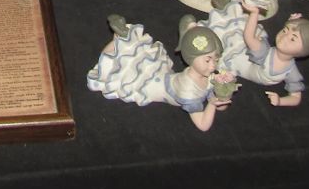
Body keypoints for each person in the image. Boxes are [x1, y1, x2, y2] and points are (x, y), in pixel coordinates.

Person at [87, 14, 235, 131]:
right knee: (123, 71)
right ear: (190, 58)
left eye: (216, 60)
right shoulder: (188, 90)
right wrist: (212, 104)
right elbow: (203, 125)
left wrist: (223, 93)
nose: (213, 65)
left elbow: (221, 106)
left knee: (139, 59)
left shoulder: (208, 75)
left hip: (164, 75)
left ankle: (124, 39)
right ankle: (117, 42)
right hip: (151, 85)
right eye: (207, 60)